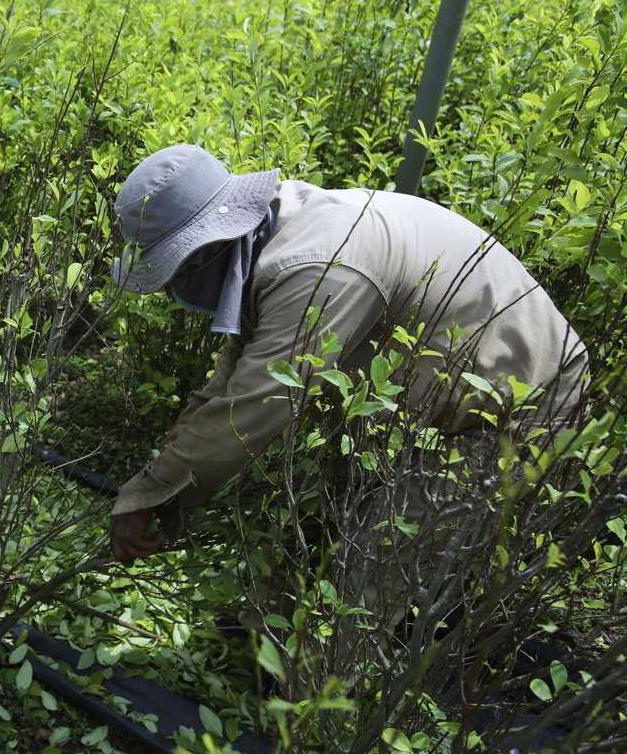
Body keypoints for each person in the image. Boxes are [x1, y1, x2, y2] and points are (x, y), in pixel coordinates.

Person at [107, 144, 588, 626]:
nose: (170, 292)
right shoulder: (268, 236)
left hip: (517, 405)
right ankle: (268, 635)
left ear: (207, 251)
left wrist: (148, 496)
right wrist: (184, 439)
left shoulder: (316, 266)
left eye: (173, 273)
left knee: (379, 567)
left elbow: (253, 409)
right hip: (427, 402)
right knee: (327, 511)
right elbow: (237, 370)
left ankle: (311, 688)